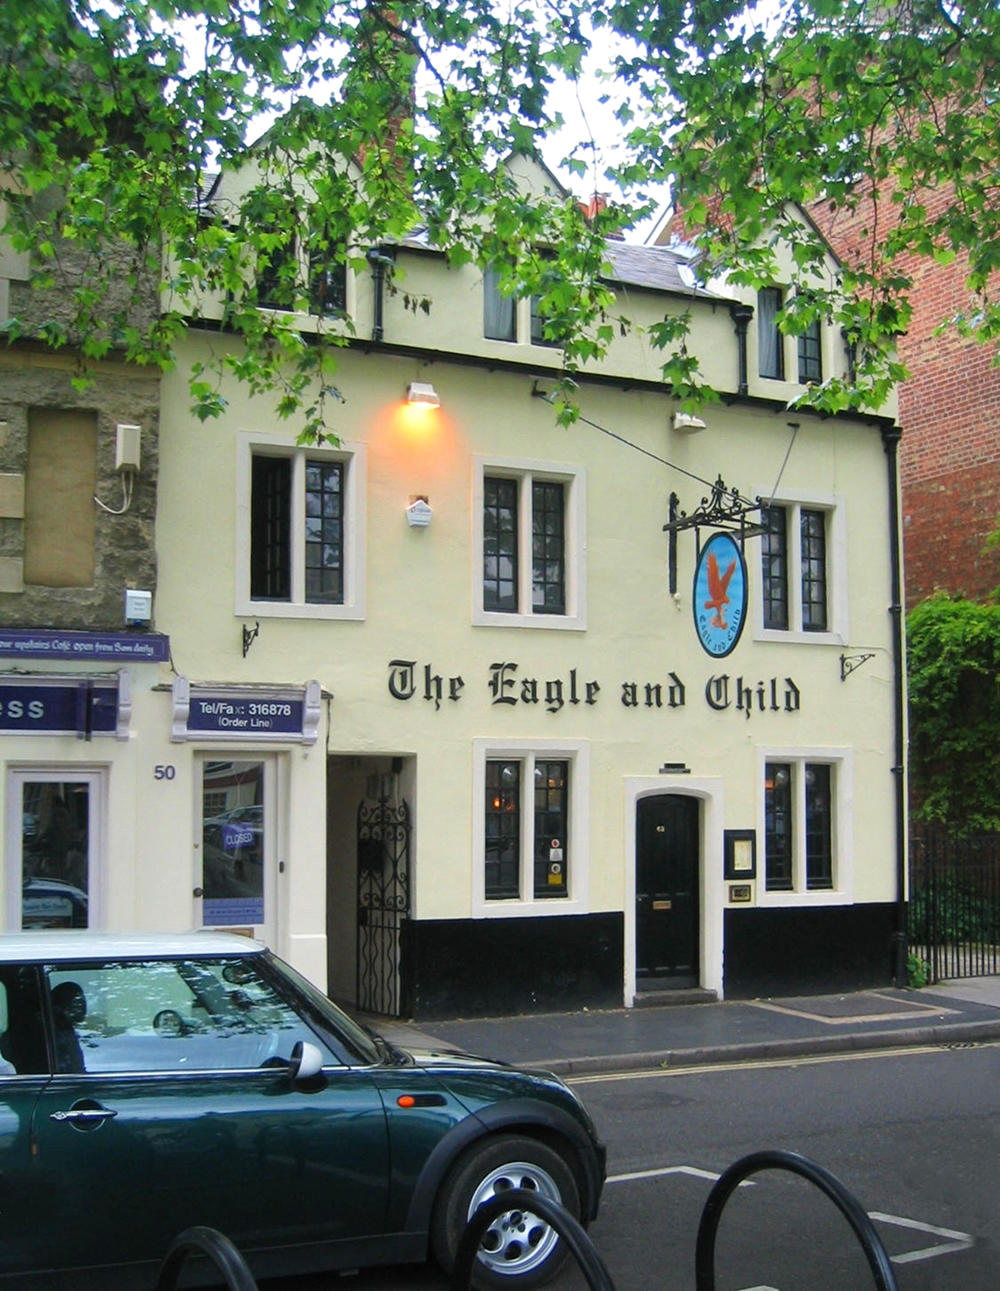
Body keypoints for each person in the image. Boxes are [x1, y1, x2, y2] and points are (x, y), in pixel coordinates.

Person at [50, 981, 87, 1073]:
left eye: (82, 1001)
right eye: (76, 1002)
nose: (83, 1007)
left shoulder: (68, 1032)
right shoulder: (58, 1038)